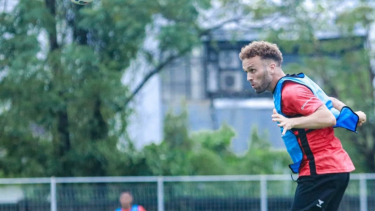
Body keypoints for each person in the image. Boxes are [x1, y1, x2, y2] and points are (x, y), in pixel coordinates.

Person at [239, 41, 367, 211]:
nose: (249, 77)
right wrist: (350, 114)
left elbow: (327, 117)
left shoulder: (290, 92)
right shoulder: (287, 88)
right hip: (329, 170)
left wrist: (293, 122)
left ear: (271, 67)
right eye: (247, 72)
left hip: (321, 172)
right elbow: (330, 102)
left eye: (253, 70)